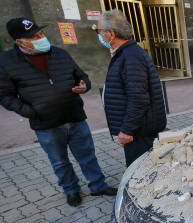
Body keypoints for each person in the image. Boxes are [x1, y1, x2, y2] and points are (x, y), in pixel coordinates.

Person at [0, 18, 116, 206]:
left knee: (87, 155)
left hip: (75, 116)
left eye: (41, 33)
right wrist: (31, 111)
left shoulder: (59, 53)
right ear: (20, 41)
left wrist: (84, 85)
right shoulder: (6, 62)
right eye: (34, 36)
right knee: (60, 162)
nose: (41, 37)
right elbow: (5, 96)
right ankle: (71, 190)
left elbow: (82, 76)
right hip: (46, 124)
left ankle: (98, 185)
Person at [97, 10, 167, 166]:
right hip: (138, 130)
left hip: (139, 133)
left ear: (111, 33)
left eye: (99, 31)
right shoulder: (125, 54)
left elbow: (139, 98)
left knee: (141, 170)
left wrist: (127, 129)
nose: (99, 35)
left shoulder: (131, 57)